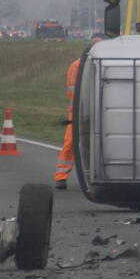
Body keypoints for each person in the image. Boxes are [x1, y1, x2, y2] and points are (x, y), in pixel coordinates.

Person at [53, 54, 80, 189]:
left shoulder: (77, 65)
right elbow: (73, 92)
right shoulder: (77, 66)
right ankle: (61, 176)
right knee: (70, 145)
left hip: (91, 112)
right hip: (77, 114)